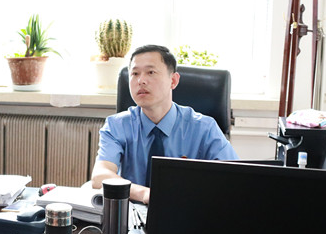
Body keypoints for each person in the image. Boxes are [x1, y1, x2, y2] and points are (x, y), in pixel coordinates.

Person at [91, 44, 238, 204]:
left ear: (173, 81)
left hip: (186, 209)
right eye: (135, 73)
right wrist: (145, 194)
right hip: (131, 211)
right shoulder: (117, 125)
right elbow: (100, 176)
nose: (141, 80)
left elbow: (233, 179)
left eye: (151, 72)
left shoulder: (204, 128)